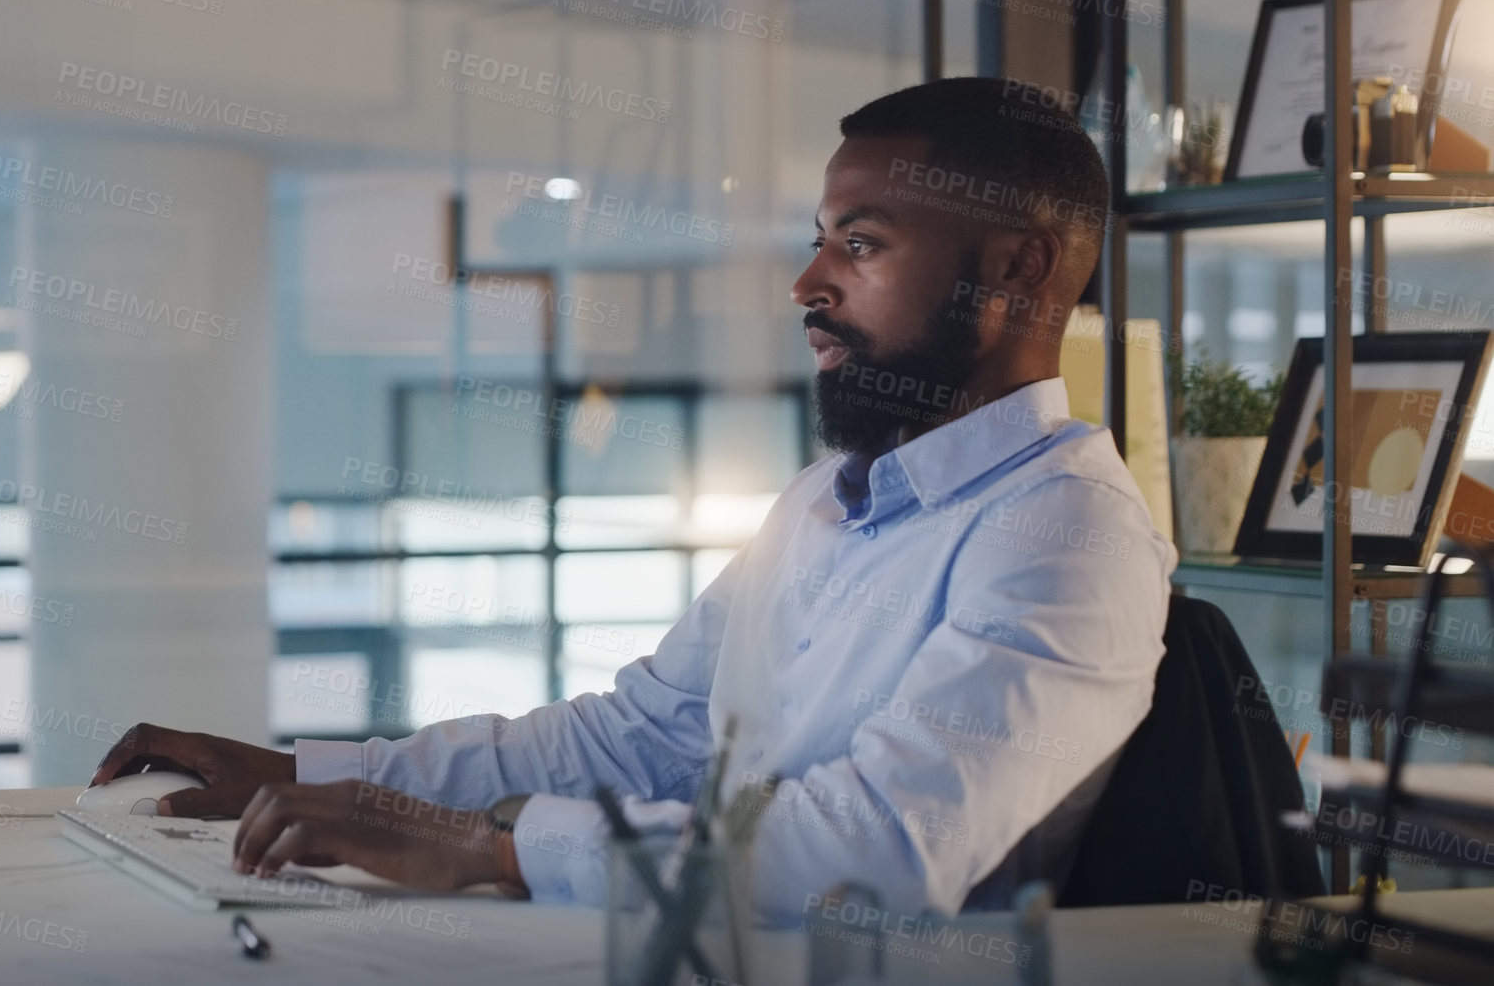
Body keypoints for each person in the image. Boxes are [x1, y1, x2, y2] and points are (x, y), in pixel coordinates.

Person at [89, 76, 1176, 922]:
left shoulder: (1066, 532)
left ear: (1020, 271)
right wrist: (314, 774)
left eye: (860, 243)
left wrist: (485, 848)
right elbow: (634, 739)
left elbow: (874, 854)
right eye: (817, 239)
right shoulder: (817, 506)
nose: (805, 283)